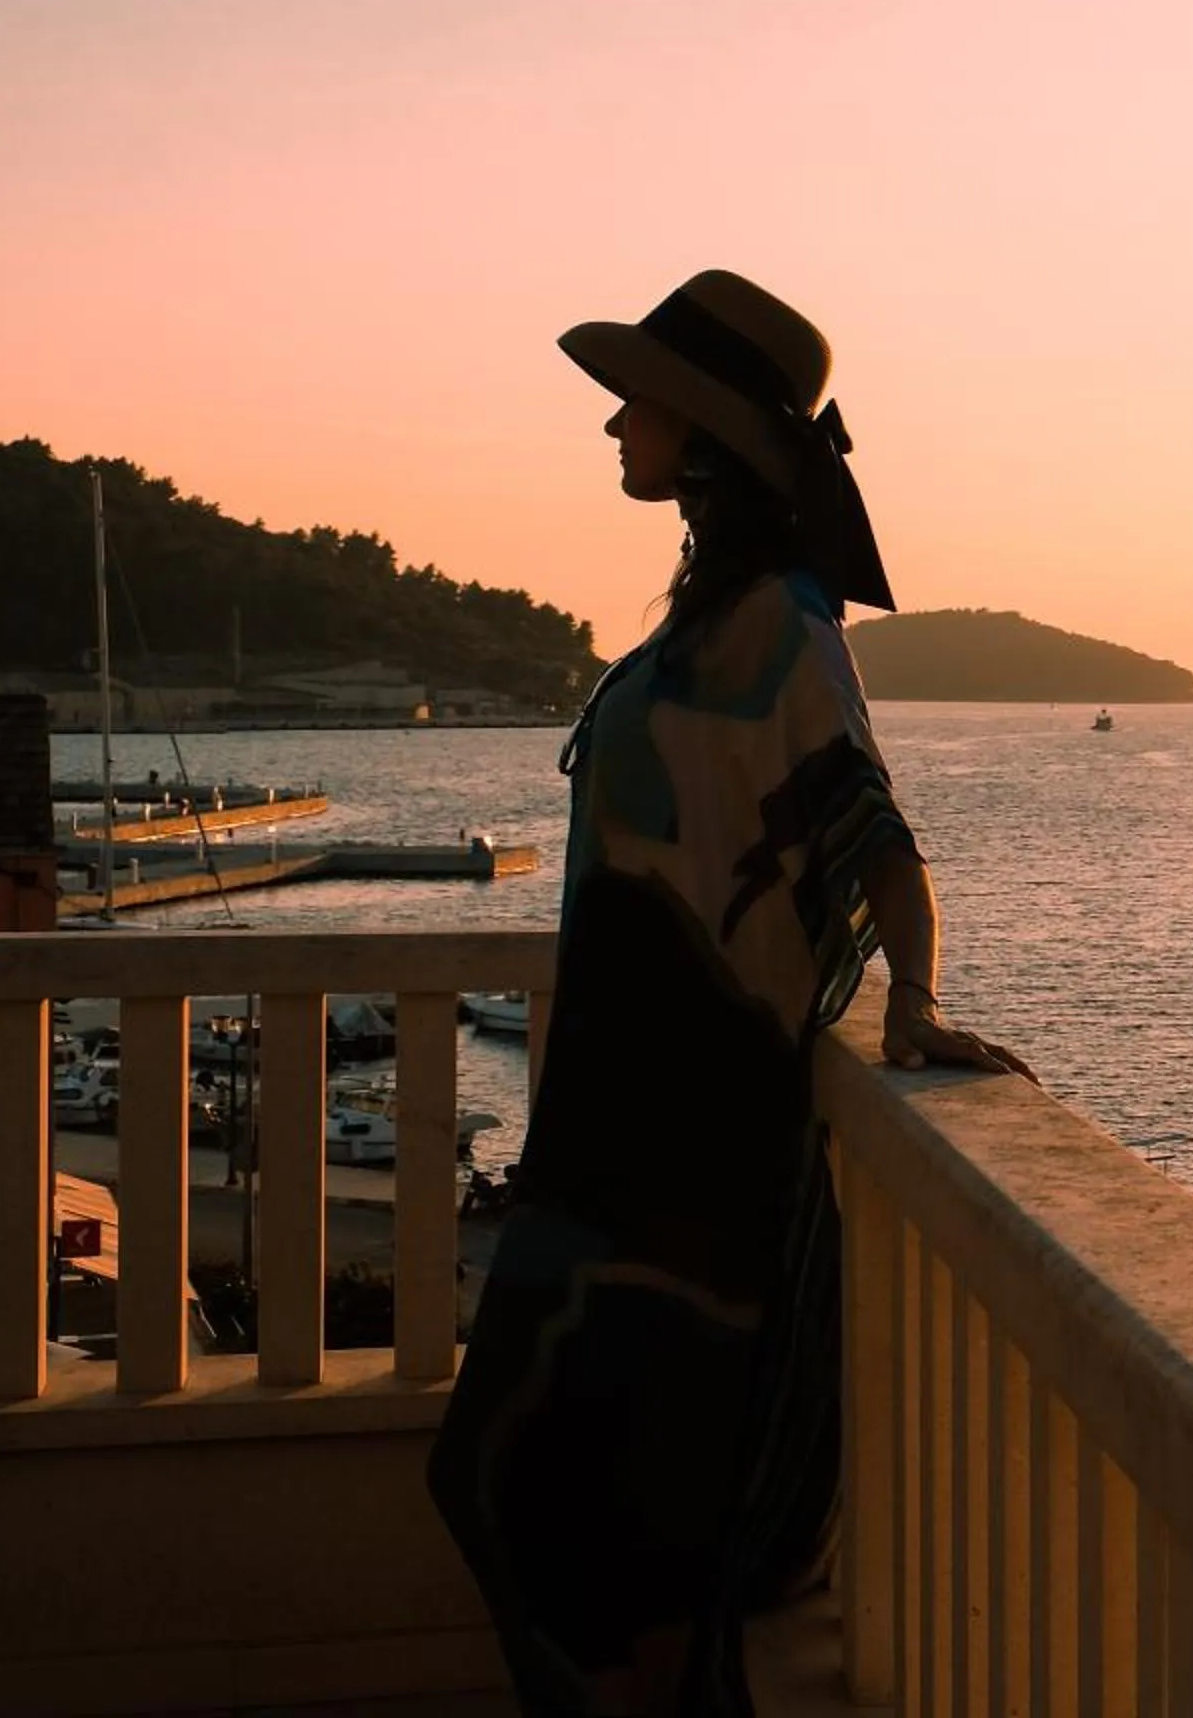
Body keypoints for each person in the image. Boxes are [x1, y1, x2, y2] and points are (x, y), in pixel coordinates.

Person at [429, 270, 1034, 1716]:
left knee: (605, 1522)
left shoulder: (784, 626)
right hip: (609, 1142)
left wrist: (912, 997)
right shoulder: (711, 615)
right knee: (513, 1489)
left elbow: (874, 833)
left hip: (691, 1168)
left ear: (705, 434)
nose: (615, 426)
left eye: (637, 402)